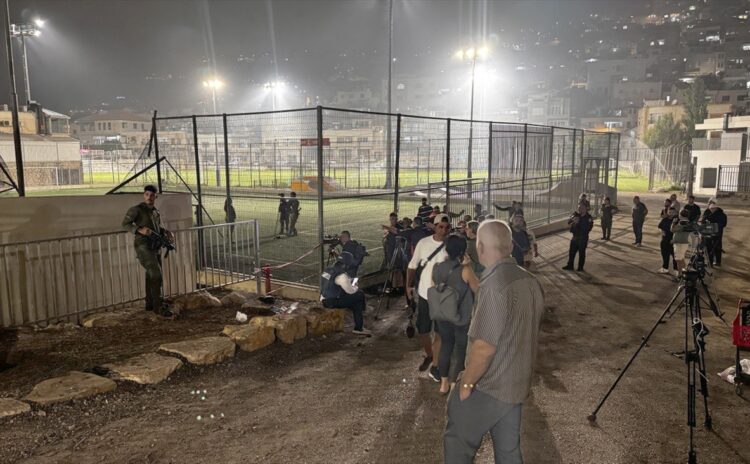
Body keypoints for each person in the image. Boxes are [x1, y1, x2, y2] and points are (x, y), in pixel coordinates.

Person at [443, 220, 544, 464]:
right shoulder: (531, 281)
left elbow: (484, 347)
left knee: (458, 446)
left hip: (488, 387)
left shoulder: (493, 287)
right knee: (508, 452)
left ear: (480, 247)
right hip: (515, 385)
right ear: (509, 245)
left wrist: (466, 385)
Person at [432, 235, 480, 394]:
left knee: (446, 346)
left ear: (446, 249)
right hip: (461, 316)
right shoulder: (465, 270)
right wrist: (469, 266)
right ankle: (454, 384)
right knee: (461, 349)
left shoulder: (437, 267)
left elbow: (436, 288)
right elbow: (478, 289)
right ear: (463, 251)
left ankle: (443, 384)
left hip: (443, 314)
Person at [406, 214, 450, 374]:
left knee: (439, 331)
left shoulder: (451, 245)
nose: (443, 230)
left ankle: (436, 364)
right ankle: (430, 355)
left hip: (442, 296)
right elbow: (412, 265)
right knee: (423, 330)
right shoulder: (423, 243)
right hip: (425, 294)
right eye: (440, 226)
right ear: (434, 226)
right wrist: (408, 286)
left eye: (446, 227)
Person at [121, 184, 174, 317]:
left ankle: (150, 303)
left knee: (151, 275)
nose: (149, 197)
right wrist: (139, 230)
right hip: (143, 245)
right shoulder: (137, 210)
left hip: (154, 246)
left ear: (156, 196)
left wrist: (166, 232)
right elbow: (125, 224)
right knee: (156, 274)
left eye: (151, 195)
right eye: (146, 194)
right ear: (143, 195)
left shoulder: (155, 211)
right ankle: (158, 306)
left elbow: (157, 228)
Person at [320, 251, 371, 336]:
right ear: (347, 264)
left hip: (324, 299)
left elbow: (332, 283)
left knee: (356, 301)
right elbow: (350, 291)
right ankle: (360, 324)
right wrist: (355, 286)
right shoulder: (342, 275)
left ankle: (359, 325)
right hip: (332, 302)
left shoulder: (328, 269)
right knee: (359, 294)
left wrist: (348, 281)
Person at [563, 204, 594, 272]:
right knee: (571, 252)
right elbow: (569, 222)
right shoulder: (576, 215)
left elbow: (587, 228)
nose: (580, 209)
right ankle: (570, 265)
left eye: (582, 208)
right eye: (579, 208)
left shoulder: (589, 218)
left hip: (583, 238)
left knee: (581, 253)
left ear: (586, 209)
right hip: (575, 237)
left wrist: (578, 223)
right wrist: (572, 219)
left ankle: (580, 267)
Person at [382, 212, 406, 291]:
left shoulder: (398, 227)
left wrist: (388, 229)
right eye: (391, 219)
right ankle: (393, 286)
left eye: (394, 219)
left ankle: (400, 286)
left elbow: (399, 234)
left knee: (398, 269)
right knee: (392, 269)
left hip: (397, 251)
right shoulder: (390, 228)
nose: (393, 220)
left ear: (397, 219)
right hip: (390, 251)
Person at [701, 199, 728, 267]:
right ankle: (710, 262)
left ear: (716, 207)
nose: (710, 205)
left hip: (717, 234)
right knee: (708, 247)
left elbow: (723, 224)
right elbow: (703, 221)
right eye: (709, 203)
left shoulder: (721, 214)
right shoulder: (707, 211)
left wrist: (711, 225)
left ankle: (718, 262)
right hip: (707, 233)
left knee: (717, 247)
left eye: (712, 204)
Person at [657, 207, 679, 275]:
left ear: (675, 213)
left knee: (675, 256)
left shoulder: (677, 221)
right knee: (665, 255)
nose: (671, 214)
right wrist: (662, 231)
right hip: (664, 240)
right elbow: (659, 227)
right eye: (669, 212)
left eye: (672, 212)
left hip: (673, 241)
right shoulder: (664, 220)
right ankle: (665, 268)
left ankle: (676, 270)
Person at [671, 209, 693, 275]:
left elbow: (672, 230)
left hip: (680, 243)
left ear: (680, 215)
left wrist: (673, 223)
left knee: (678, 259)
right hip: (685, 242)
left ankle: (681, 275)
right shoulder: (688, 222)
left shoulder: (681, 223)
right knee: (682, 258)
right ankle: (684, 273)